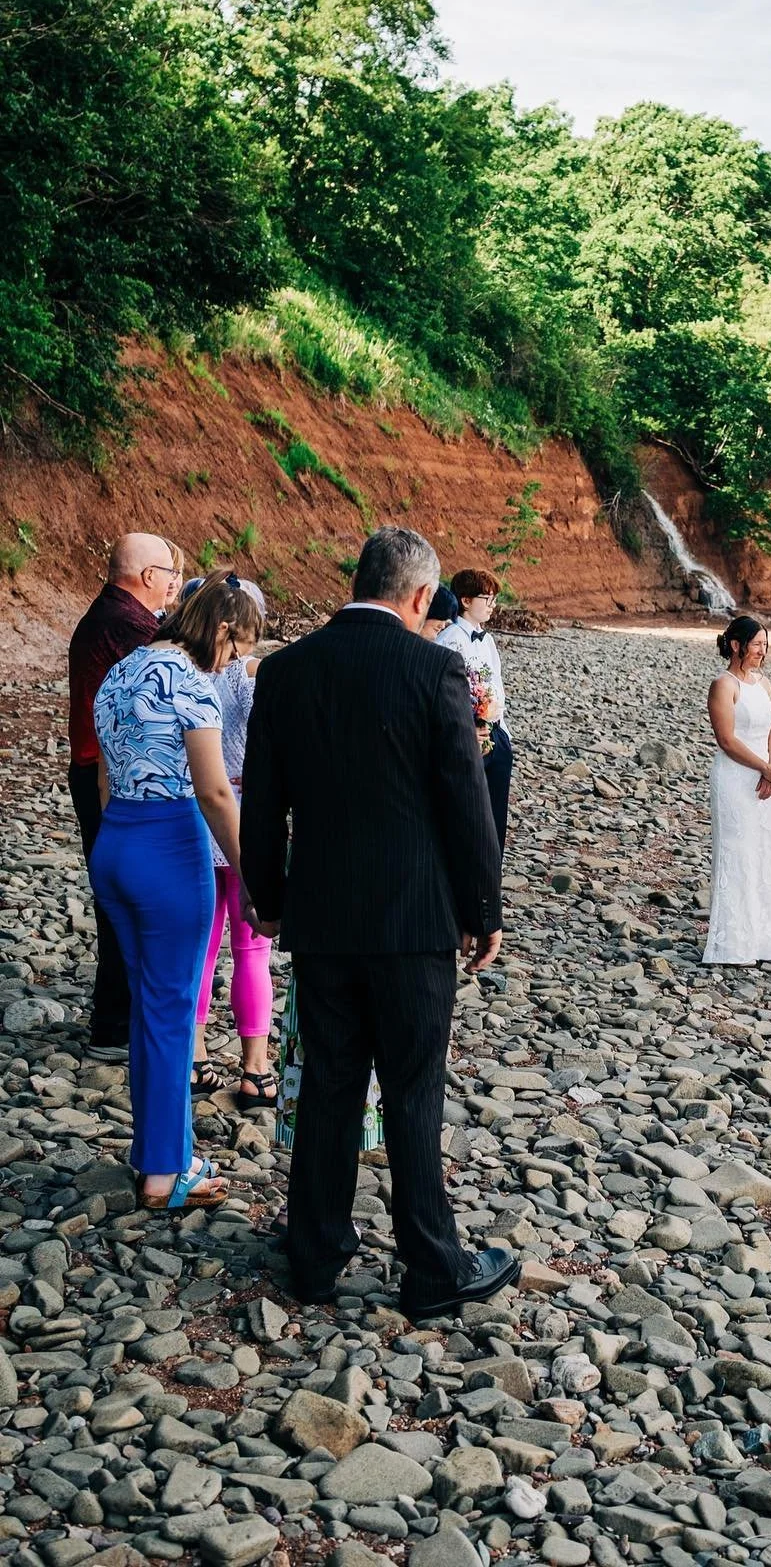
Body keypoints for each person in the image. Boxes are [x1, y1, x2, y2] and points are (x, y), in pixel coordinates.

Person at [241, 525, 519, 1317]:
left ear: (356, 578)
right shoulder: (437, 667)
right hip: (414, 917)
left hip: (323, 914)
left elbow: (264, 803)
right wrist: (483, 909)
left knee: (329, 1081)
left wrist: (271, 897)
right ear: (422, 596)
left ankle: (316, 1250)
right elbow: (465, 802)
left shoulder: (288, 670)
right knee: (412, 1089)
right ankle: (433, 1267)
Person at [90, 574, 259, 1209]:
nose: (237, 659)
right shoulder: (193, 685)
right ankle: (166, 1171)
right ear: (220, 630)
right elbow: (215, 792)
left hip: (117, 842)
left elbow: (104, 772)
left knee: (149, 1010)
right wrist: (251, 873)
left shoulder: (123, 668)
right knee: (171, 1010)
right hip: (169, 847)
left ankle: (155, 1149)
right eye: (238, 645)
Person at [68, 534, 184, 1060]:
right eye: (169, 575)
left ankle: (118, 1016)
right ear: (147, 576)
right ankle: (114, 1024)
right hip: (109, 778)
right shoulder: (129, 625)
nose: (172, 585)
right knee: (126, 897)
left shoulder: (107, 616)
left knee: (119, 892)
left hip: (100, 770)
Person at [184, 576, 276, 1107]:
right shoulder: (251, 675)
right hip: (245, 812)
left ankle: (195, 1057)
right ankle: (256, 1068)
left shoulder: (185, 672)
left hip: (197, 815)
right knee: (253, 949)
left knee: (202, 945)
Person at [703, 616, 771, 968]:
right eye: (756, 644)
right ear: (736, 645)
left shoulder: (764, 683)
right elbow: (726, 739)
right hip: (734, 776)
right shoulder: (723, 685)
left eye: (764, 644)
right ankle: (734, 942)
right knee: (737, 851)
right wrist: (763, 767)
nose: (762, 650)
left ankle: (768, 937)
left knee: (765, 850)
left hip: (763, 776)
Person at [436, 567, 513, 850]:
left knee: (495, 815)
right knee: (468, 813)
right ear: (466, 600)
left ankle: (492, 873)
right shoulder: (449, 639)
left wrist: (504, 735)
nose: (492, 606)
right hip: (468, 736)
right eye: (487, 599)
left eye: (494, 600)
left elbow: (497, 685)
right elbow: (445, 694)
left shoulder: (488, 640)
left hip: (496, 734)